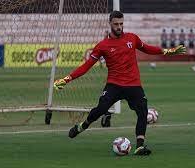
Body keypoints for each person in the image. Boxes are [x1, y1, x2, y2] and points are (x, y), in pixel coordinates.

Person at [54, 11, 186, 155]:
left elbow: (147, 48)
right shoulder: (102, 46)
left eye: (121, 24)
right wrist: (67, 79)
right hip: (114, 84)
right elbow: (87, 66)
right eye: (116, 24)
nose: (119, 27)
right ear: (110, 24)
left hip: (133, 84)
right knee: (101, 109)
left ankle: (140, 146)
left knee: (142, 111)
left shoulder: (132, 38)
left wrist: (167, 51)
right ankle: (82, 126)